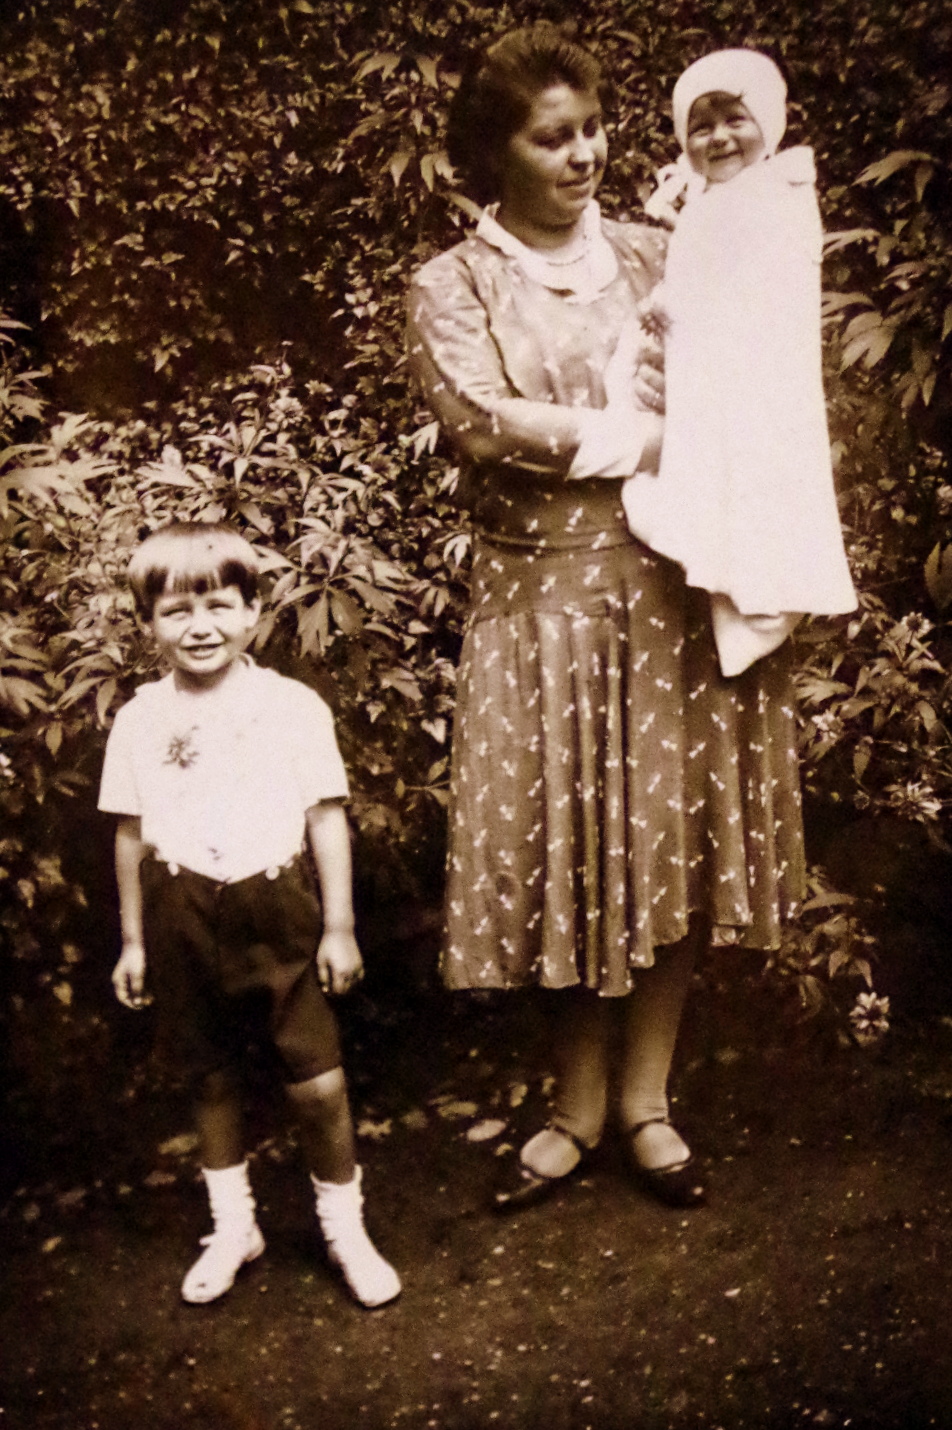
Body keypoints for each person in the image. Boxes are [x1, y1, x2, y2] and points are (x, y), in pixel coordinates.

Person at [407, 23, 806, 1212]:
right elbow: (486, 421)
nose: (583, 154)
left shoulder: (655, 251)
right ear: (498, 152)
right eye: (552, 138)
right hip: (540, 607)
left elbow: (753, 362)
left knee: (665, 838)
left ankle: (646, 1098)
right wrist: (652, 438)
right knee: (563, 847)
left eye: (591, 129)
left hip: (670, 585)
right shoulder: (453, 284)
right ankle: (575, 1104)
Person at [100, 522, 401, 1308]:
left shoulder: (291, 707)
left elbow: (326, 817)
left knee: (318, 1085)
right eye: (176, 612)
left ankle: (343, 1228)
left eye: (219, 606)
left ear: (252, 610)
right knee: (210, 1079)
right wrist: (133, 942)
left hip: (278, 912)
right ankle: (234, 1227)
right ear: (148, 623)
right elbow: (130, 834)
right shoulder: (139, 718)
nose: (200, 627)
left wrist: (339, 927)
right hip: (182, 914)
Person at [622, 49, 856, 677]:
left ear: (768, 123)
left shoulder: (776, 195)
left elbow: (757, 289)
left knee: (760, 476)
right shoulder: (718, 202)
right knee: (719, 473)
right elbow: (701, 273)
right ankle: (733, 583)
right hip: (716, 368)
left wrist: (677, 308)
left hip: (758, 371)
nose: (719, 137)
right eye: (700, 127)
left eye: (735, 119)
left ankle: (760, 602)